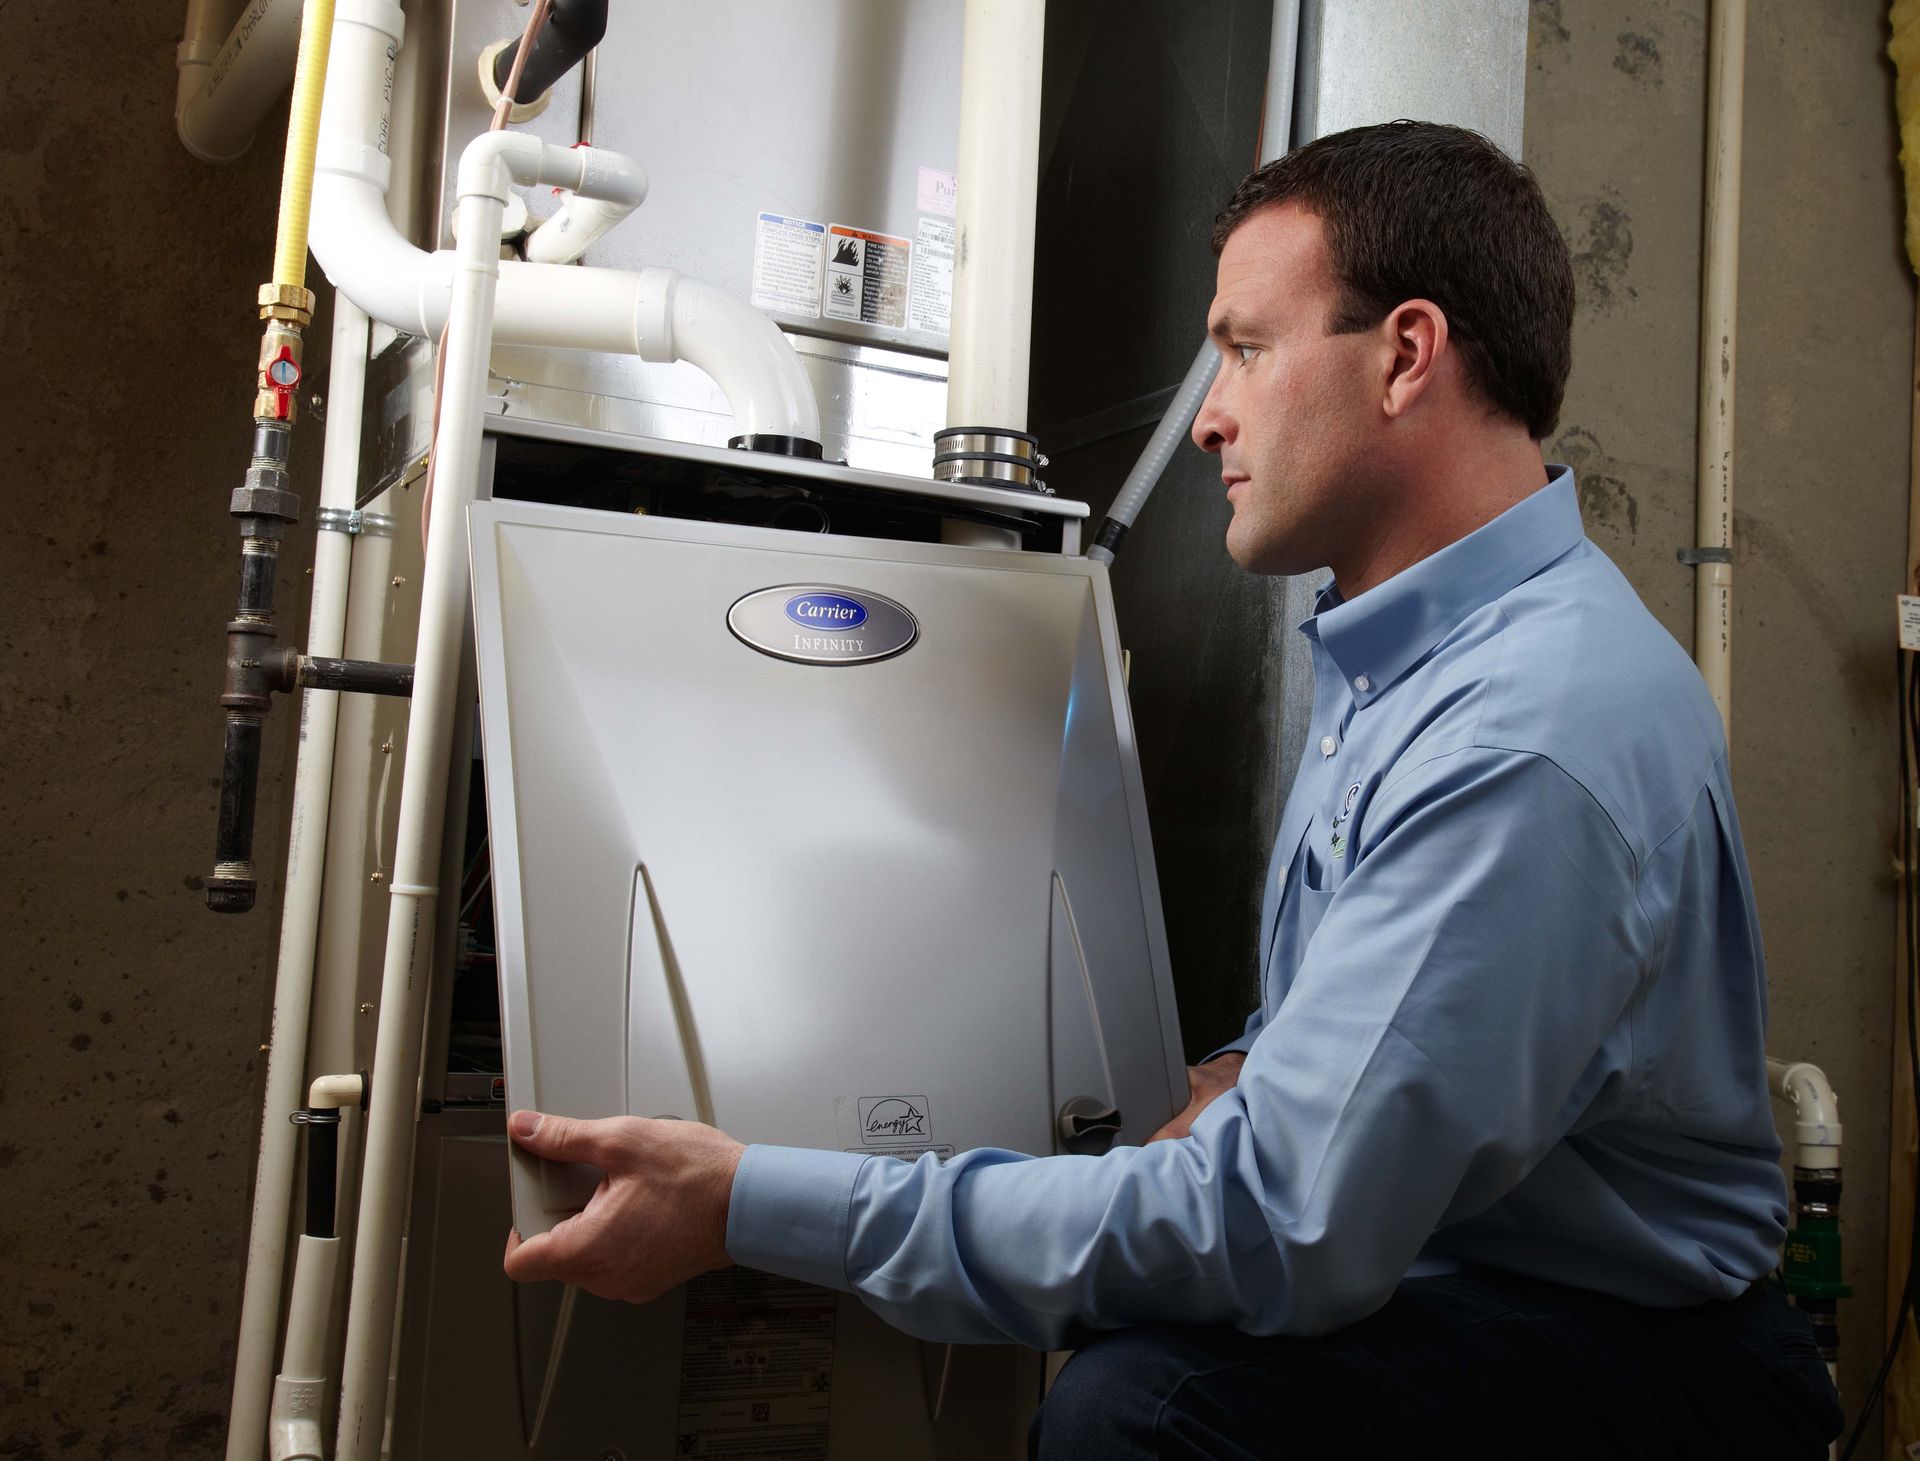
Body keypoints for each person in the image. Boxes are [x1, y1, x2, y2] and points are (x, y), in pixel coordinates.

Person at [501, 121, 1845, 1458]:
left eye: (1249, 350)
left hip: (1646, 1366)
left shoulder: (1521, 736)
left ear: (1407, 357)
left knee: (1139, 1410)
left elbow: (1271, 1223)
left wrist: (748, 1202)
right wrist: (1248, 1067)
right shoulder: (1421, 648)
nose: (1210, 414)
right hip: (1488, 1283)